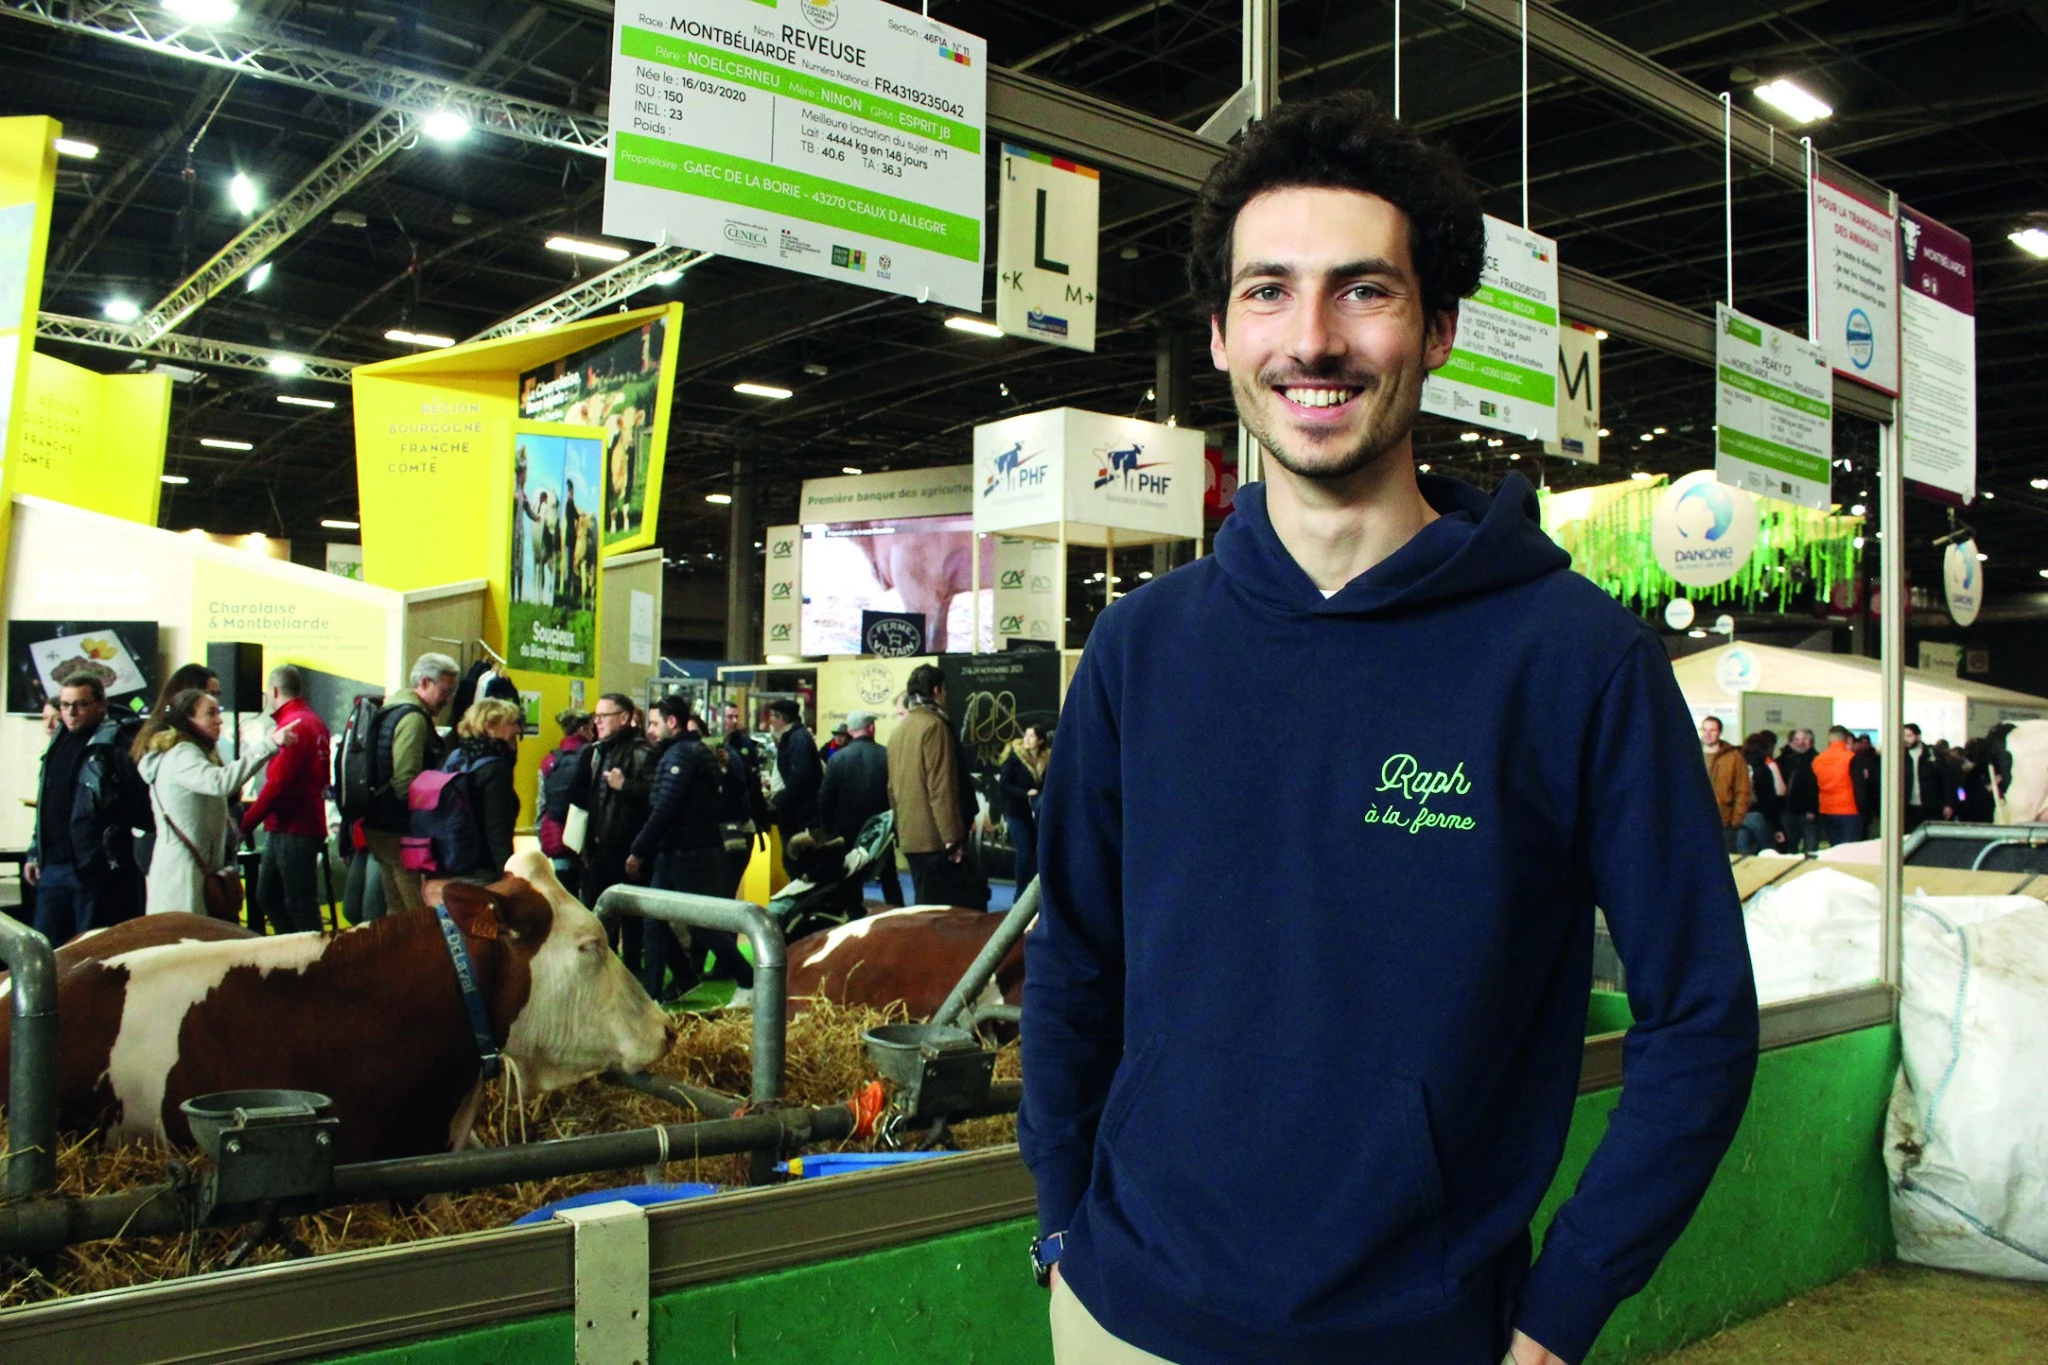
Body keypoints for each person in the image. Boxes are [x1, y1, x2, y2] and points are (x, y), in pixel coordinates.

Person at [1019, 94, 1757, 1365]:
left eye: (1362, 290)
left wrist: (1560, 1313)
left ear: (1438, 329)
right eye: (1267, 291)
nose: (1312, 339)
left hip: (1424, 1336)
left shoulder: (1574, 661)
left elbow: (1698, 1018)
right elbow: (1072, 964)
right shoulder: (1139, 649)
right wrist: (1059, 1226)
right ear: (1219, 333)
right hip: (1121, 1318)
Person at [138, 688, 299, 917]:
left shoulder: (190, 752)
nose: (219, 720)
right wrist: (268, 744)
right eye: (210, 713)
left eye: (218, 712)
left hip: (192, 869)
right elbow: (220, 782)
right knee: (188, 936)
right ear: (188, 718)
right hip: (183, 875)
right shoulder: (182, 754)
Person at [626, 695, 740, 1000]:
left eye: (654, 723)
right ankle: (657, 991)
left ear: (671, 722)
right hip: (679, 850)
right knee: (657, 920)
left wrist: (639, 849)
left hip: (687, 852)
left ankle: (752, 978)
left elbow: (666, 808)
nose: (650, 730)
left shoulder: (682, 755)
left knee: (702, 927)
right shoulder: (684, 752)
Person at [27, 674, 151, 944]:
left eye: (80, 704)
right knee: (45, 948)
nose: (71, 713)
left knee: (92, 947)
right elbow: (46, 799)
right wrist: (35, 851)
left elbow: (139, 802)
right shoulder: (59, 738)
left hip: (93, 867)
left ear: (100, 705)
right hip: (53, 864)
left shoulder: (116, 742)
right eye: (65, 705)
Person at [360, 652, 460, 913]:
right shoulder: (414, 719)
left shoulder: (389, 711)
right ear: (425, 682)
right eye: (445, 691)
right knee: (419, 913)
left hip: (378, 822)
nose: (449, 699)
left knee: (396, 910)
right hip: (399, 828)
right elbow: (405, 782)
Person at [239, 665, 334, 935]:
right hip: (298, 825)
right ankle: (293, 951)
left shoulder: (292, 727)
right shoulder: (315, 722)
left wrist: (246, 823)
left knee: (298, 905)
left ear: (274, 691)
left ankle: (313, 957)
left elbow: (278, 783)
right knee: (271, 896)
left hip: (293, 827)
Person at [887, 664, 984, 908]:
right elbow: (941, 788)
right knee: (942, 912)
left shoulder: (898, 733)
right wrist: (952, 839)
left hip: (911, 835)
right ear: (937, 690)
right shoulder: (934, 727)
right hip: (935, 840)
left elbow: (891, 789)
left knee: (923, 908)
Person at [570, 693, 655, 962]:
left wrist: (625, 786)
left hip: (628, 850)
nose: (597, 722)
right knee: (597, 918)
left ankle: (632, 972)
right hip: (599, 849)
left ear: (624, 718)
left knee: (631, 922)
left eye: (603, 716)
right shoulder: (597, 751)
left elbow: (656, 797)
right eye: (595, 717)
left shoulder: (642, 752)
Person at [816, 709, 902, 906]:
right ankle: (897, 912)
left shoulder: (838, 759)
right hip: (880, 831)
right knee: (889, 876)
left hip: (845, 831)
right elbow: (897, 795)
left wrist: (829, 829)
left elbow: (825, 798)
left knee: (849, 878)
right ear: (871, 728)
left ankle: (853, 915)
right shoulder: (887, 756)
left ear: (850, 731)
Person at [438, 697, 522, 881]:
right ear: (489, 727)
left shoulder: (456, 757)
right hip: (481, 867)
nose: (517, 729)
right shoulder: (496, 768)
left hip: (448, 859)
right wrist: (507, 874)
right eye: (511, 723)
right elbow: (497, 828)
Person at [538, 709, 595, 895]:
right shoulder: (593, 756)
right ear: (583, 729)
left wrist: (541, 832)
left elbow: (541, 803)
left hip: (556, 834)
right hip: (585, 837)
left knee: (563, 893)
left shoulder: (549, 760)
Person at [996, 723, 1052, 889]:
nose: (1026, 739)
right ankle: (1020, 892)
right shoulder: (1014, 757)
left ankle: (1033, 891)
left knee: (1036, 852)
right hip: (1016, 811)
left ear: (1040, 741)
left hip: (1036, 813)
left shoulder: (1046, 760)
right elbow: (1004, 784)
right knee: (1025, 850)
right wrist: (1025, 793)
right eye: (1026, 735)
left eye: (1031, 736)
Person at [764, 698, 822, 847]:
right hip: (797, 813)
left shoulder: (798, 739)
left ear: (782, 718)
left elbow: (800, 776)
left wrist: (779, 800)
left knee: (796, 856)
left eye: (772, 716)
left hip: (801, 816)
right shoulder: (794, 737)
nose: (770, 720)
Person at [1700, 716, 1752, 854]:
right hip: (1695, 819)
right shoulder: (1691, 753)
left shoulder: (1734, 757)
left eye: (1712, 730)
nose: (1708, 734)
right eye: (1704, 730)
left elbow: (1743, 789)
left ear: (1720, 732)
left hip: (1724, 820)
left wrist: (1737, 819)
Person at [1736, 731, 1784, 856]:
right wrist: (1778, 827)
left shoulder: (1738, 765)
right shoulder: (1765, 768)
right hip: (1759, 815)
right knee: (1768, 852)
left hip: (1741, 815)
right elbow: (1771, 799)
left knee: (1743, 853)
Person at [1812, 726, 1862, 846]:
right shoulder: (1850, 758)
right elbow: (1859, 788)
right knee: (1849, 848)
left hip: (1826, 808)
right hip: (1849, 809)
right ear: (1847, 739)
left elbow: (1813, 786)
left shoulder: (1818, 759)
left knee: (1834, 846)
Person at [1775, 728, 1820, 855]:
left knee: (1810, 848)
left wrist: (1813, 809)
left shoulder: (1817, 760)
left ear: (1811, 741)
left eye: (1804, 739)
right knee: (1789, 848)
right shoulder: (1786, 760)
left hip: (1808, 812)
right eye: (1796, 739)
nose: (1800, 743)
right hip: (1788, 810)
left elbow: (1817, 787)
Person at [1900, 724, 1951, 834]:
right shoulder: (1901, 756)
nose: (1906, 739)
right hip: (1909, 807)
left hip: (1931, 805)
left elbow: (1945, 781)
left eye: (1909, 736)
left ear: (1918, 736)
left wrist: (1948, 804)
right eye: (1904, 736)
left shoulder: (1933, 755)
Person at [1850, 734, 1881, 841]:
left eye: (1865, 743)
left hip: (1870, 795)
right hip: (1866, 796)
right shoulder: (1857, 758)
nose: (1863, 745)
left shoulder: (1873, 758)